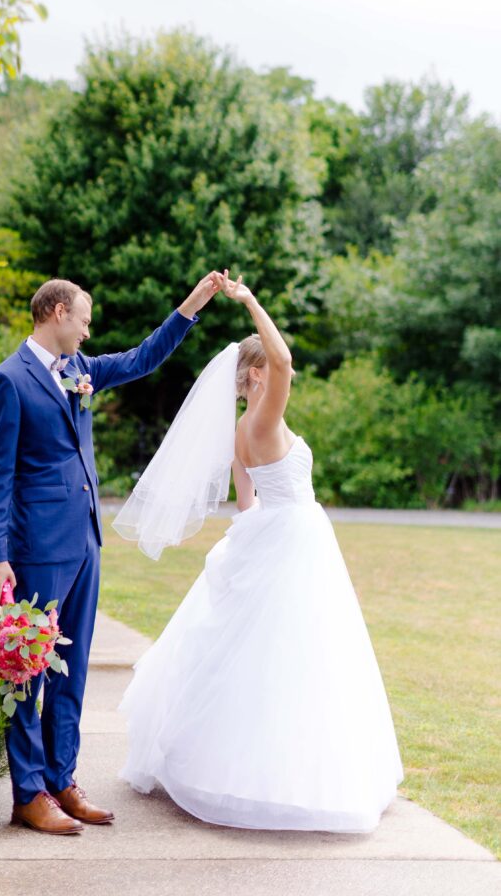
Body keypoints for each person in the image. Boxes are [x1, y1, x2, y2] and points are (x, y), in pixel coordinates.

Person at [114, 270, 404, 832]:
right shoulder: (265, 417)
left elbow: (245, 504)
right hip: (296, 537)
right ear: (254, 373)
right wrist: (249, 301)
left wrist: (247, 555)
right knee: (304, 657)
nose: (281, 373)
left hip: (275, 535)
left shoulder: (241, 430)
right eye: (268, 367)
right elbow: (287, 362)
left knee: (270, 655)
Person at [0, 273, 221, 835]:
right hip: (36, 547)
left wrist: (192, 305)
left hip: (86, 542)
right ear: (58, 311)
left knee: (74, 670)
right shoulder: (7, 382)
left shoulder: (79, 372)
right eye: (84, 319)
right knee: (27, 671)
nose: (88, 331)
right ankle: (28, 793)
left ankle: (63, 779)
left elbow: (142, 358)